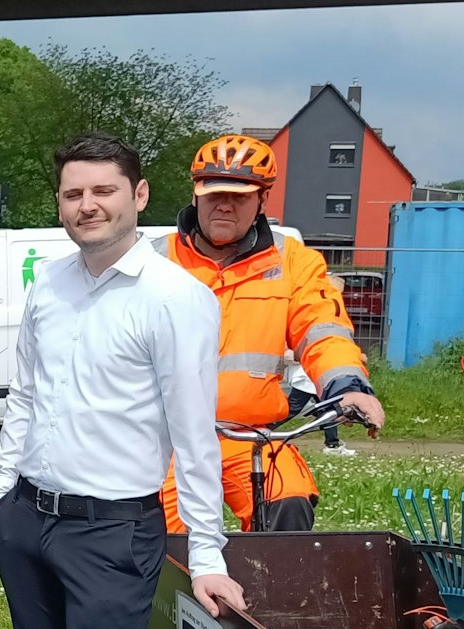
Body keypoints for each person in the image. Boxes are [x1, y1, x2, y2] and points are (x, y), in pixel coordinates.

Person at [0, 135, 247, 629]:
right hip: (27, 519)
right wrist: (5, 490)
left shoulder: (175, 298)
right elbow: (25, 392)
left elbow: (194, 436)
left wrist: (207, 554)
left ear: (140, 194)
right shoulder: (48, 283)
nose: (88, 206)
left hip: (109, 535)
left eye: (103, 191)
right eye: (73, 194)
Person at [153, 134, 385, 533]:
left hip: (249, 438)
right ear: (195, 195)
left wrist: (347, 386)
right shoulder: (155, 261)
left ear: (263, 200)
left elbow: (322, 330)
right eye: (214, 194)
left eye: (240, 196)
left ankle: (271, 579)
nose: (225, 205)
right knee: (163, 543)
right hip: (166, 439)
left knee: (289, 500)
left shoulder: (293, 262)